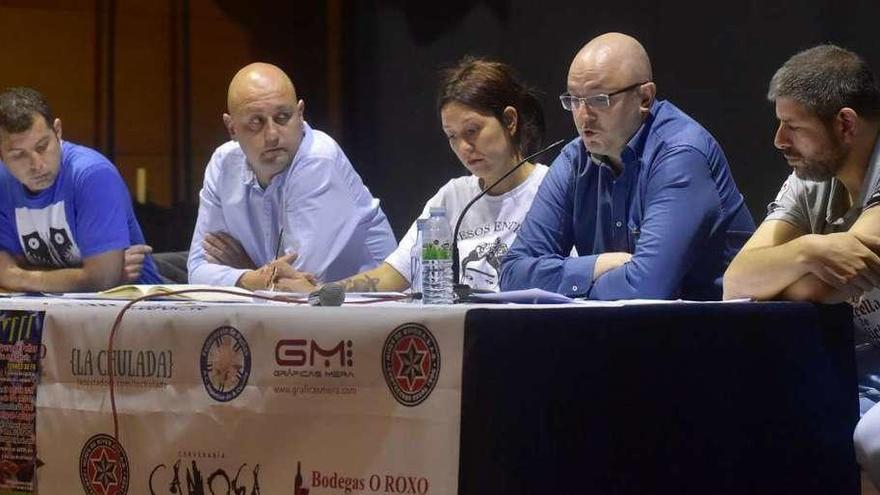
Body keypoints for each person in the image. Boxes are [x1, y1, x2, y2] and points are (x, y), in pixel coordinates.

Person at [720, 44, 880, 487]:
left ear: (845, 123)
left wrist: (784, 274)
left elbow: (820, 292)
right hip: (857, 369)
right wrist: (810, 249)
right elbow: (737, 281)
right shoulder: (810, 180)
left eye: (793, 126)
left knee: (872, 439)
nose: (778, 140)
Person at [500, 33, 754, 299]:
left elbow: (646, 288)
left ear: (645, 98)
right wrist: (598, 265)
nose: (583, 116)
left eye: (599, 99)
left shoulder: (681, 154)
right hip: (629, 331)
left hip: (714, 331)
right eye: (574, 100)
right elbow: (512, 273)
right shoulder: (575, 159)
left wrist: (570, 284)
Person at [286, 56, 549, 294]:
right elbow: (393, 274)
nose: (464, 148)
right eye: (452, 136)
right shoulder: (452, 197)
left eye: (472, 130)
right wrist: (320, 291)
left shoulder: (550, 189)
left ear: (510, 121)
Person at [187, 62, 396, 290]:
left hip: (371, 310)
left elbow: (297, 285)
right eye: (256, 122)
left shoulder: (318, 160)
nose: (272, 135)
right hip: (304, 313)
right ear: (232, 128)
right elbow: (198, 270)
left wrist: (245, 271)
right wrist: (251, 278)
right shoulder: (223, 163)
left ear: (300, 113)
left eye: (283, 117)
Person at [0, 87, 161, 292]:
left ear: (57, 131)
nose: (37, 164)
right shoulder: (3, 182)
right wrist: (84, 273)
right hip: (45, 313)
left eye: (42, 147)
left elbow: (101, 280)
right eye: (18, 155)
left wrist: (18, 273)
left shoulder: (92, 174)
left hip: (132, 309)